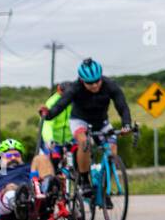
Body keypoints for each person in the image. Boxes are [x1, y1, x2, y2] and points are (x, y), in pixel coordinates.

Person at [38, 59, 132, 195]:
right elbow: (61, 105)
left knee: (112, 148)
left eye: (97, 81)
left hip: (101, 122)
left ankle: (103, 185)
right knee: (84, 142)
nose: (94, 85)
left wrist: (126, 124)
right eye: (89, 83)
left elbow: (122, 106)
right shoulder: (75, 88)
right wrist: (48, 114)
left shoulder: (110, 85)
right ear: (82, 80)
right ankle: (84, 180)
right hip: (79, 121)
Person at [0, 139, 60, 220]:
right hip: (7, 209)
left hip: (35, 198)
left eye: (16, 155)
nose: (13, 158)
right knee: (11, 187)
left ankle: (49, 191)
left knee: (41, 158)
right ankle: (20, 203)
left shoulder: (28, 167)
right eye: (9, 155)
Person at [38, 82, 74, 154]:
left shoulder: (76, 101)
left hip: (71, 139)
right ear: (59, 92)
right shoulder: (52, 102)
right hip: (54, 140)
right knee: (53, 159)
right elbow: (47, 124)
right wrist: (49, 139)